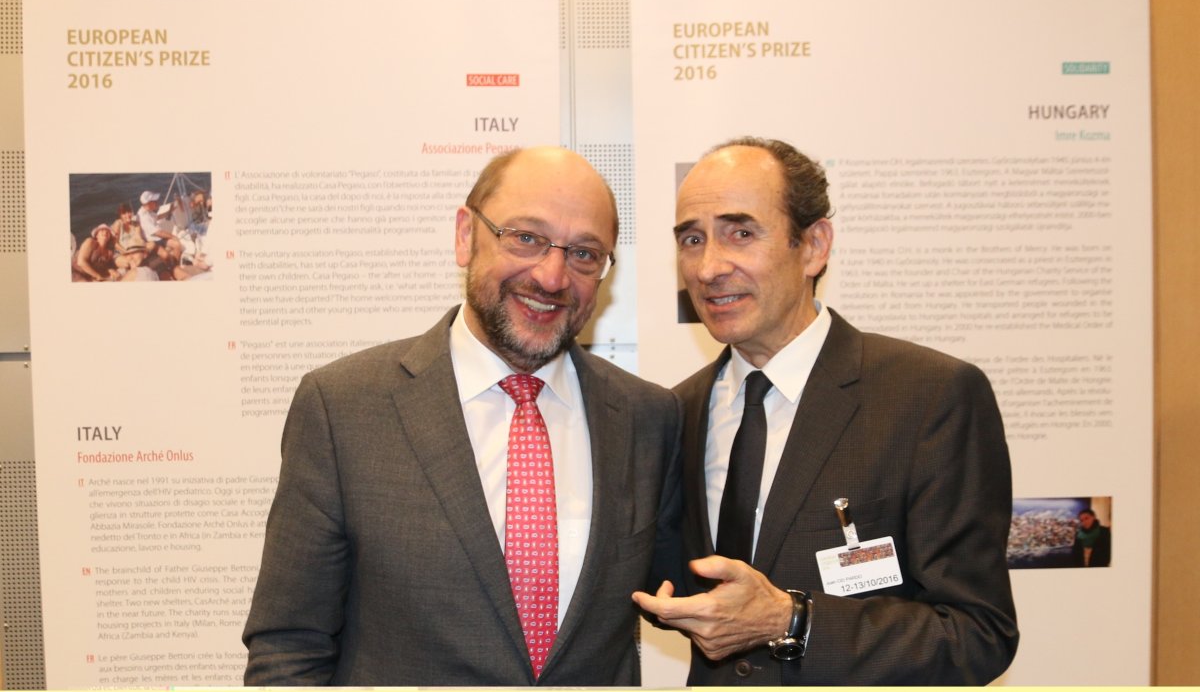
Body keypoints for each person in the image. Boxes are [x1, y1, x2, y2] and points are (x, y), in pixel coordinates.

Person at [243, 146, 680, 686]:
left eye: (584, 254)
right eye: (526, 238)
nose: (552, 277)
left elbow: (682, 594)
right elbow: (289, 649)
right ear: (466, 235)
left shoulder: (647, 418)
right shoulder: (343, 408)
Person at [634, 137, 1018, 684]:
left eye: (741, 233)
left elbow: (977, 635)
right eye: (692, 240)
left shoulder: (929, 397)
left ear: (813, 246)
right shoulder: (675, 412)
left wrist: (792, 620)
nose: (709, 267)